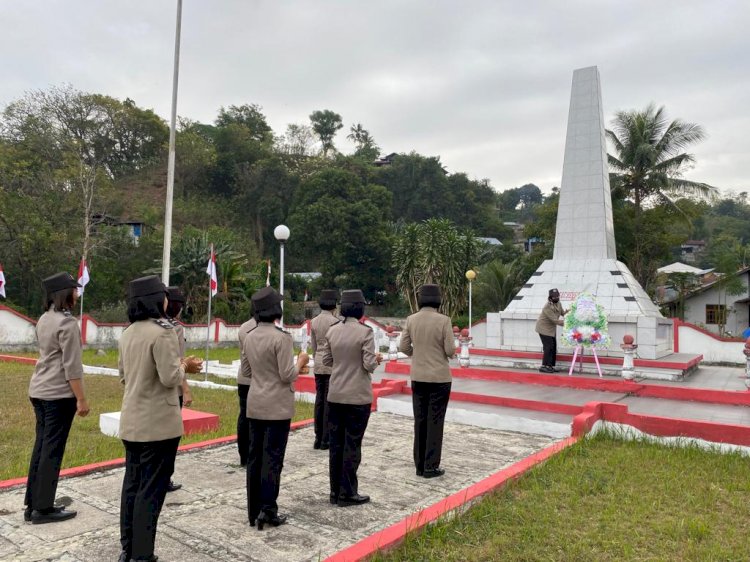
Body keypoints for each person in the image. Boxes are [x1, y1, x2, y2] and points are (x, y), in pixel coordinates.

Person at [118, 275, 201, 562]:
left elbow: (123, 376)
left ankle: (128, 547)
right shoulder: (162, 332)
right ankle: (143, 554)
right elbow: (169, 378)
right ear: (157, 300)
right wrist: (185, 365)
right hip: (158, 425)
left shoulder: (128, 333)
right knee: (150, 491)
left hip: (132, 420)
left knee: (132, 485)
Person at [25, 272, 90, 524]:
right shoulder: (67, 323)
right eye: (74, 289)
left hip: (39, 391)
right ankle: (43, 508)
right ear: (66, 293)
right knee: (52, 451)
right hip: (57, 394)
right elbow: (72, 367)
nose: (77, 293)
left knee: (41, 447)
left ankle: (32, 504)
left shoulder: (44, 318)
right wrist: (82, 399)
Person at [243, 287, 308, 530]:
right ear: (275, 311)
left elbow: (247, 372)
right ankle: (268, 509)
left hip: (256, 403)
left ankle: (254, 510)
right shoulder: (282, 338)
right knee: (273, 459)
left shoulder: (249, 336)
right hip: (277, 406)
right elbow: (286, 374)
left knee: (255, 458)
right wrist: (301, 361)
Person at [323, 289, 382, 507]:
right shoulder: (365, 332)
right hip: (357, 396)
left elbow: (327, 360)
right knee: (352, 445)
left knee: (336, 445)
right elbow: (368, 364)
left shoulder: (332, 330)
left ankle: (334, 491)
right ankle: (348, 492)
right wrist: (377, 360)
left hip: (335, 393)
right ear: (360, 308)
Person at [398, 284, 455, 478]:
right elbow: (450, 350)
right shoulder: (444, 321)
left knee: (420, 420)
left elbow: (403, 345)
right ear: (438, 300)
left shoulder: (411, 319)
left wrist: (417, 354)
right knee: (435, 421)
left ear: (420, 299)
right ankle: (431, 466)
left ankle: (420, 464)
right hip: (439, 377)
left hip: (418, 376)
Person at [165, 286, 194, 493]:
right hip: (173, 389)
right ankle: (165, 478)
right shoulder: (175, 328)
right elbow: (179, 362)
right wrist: (187, 389)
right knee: (170, 438)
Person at [310, 289, 340, 450]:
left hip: (318, 362)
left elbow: (314, 346)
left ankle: (317, 436)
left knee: (319, 400)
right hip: (331, 364)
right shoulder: (336, 322)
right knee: (329, 401)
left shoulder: (314, 321)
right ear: (334, 304)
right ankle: (326, 438)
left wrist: (317, 358)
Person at [236, 311, 257, 467]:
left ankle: (243, 455)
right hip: (257, 379)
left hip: (243, 378)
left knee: (243, 416)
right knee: (255, 419)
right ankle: (252, 453)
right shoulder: (263, 330)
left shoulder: (244, 327)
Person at [535, 288, 566, 373]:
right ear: (550, 297)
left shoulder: (559, 303)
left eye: (557, 296)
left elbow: (563, 313)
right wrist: (568, 324)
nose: (557, 297)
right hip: (543, 328)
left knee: (553, 346)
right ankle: (544, 366)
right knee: (548, 347)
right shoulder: (547, 307)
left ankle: (551, 366)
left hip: (551, 329)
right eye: (554, 296)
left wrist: (570, 313)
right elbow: (555, 321)